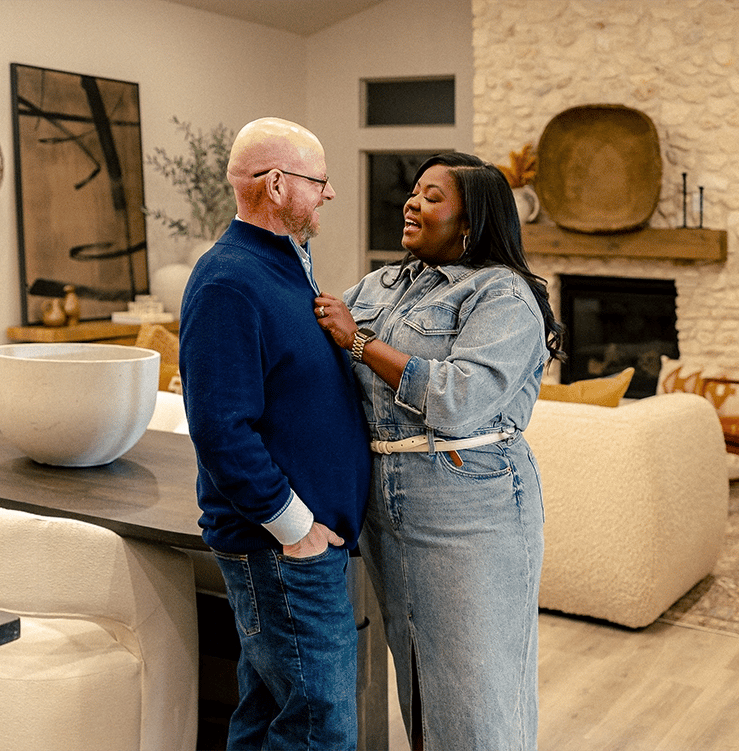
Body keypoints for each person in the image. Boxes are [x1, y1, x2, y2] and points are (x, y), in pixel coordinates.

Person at [313, 152, 564, 750]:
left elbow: (459, 397)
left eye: (432, 197)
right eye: (414, 192)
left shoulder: (501, 295)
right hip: (384, 495)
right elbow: (318, 340)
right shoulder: (382, 284)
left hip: (469, 500)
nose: (411, 203)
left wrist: (360, 340)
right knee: (419, 681)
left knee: (476, 692)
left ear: (470, 224)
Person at [178, 117, 371, 750]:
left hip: (297, 550)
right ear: (280, 185)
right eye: (320, 181)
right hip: (282, 550)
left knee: (269, 721)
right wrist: (297, 529)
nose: (330, 193)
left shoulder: (287, 267)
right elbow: (220, 428)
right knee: (321, 730)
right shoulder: (230, 282)